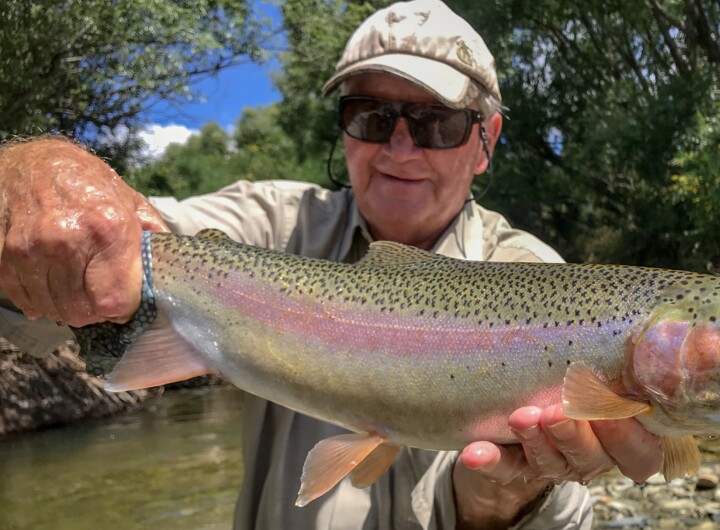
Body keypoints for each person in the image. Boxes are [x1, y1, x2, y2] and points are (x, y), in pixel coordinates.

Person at [0, 0, 663, 528]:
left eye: (435, 124)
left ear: (484, 142)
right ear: (344, 130)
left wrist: (498, 506)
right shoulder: (270, 225)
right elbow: (111, 242)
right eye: (371, 117)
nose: (400, 148)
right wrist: (27, 178)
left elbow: (573, 512)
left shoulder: (541, 284)